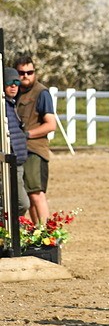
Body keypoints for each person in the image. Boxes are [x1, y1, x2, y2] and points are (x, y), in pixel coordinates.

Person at [13, 56, 55, 225]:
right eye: (21, 73)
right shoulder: (14, 92)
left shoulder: (41, 93)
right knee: (28, 195)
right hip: (19, 150)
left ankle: (46, 233)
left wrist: (27, 135)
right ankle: (37, 230)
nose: (26, 76)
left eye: (29, 72)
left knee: (36, 194)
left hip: (34, 150)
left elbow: (50, 124)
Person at [3, 67, 29, 221]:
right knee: (22, 203)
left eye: (16, 82)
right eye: (9, 83)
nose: (13, 86)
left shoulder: (11, 104)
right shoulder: (4, 105)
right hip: (9, 163)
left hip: (17, 162)